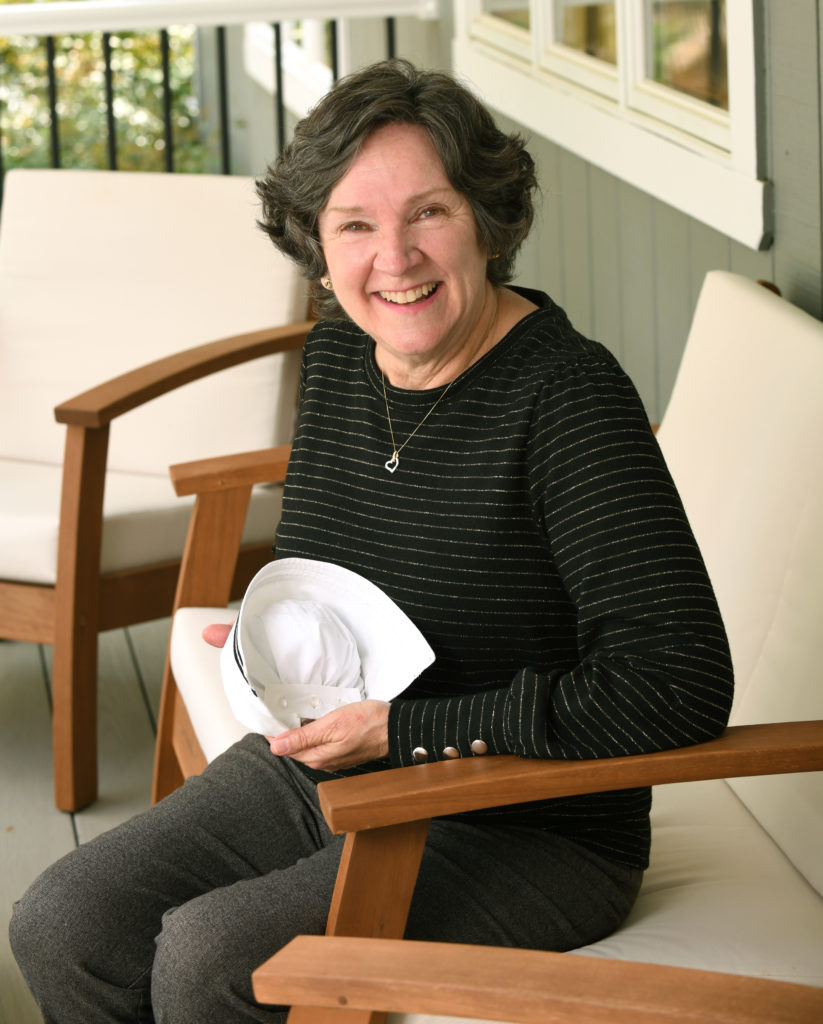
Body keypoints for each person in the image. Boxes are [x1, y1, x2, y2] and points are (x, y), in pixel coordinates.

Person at [10, 59, 734, 1023]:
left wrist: (403, 729)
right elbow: (332, 559)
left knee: (208, 961)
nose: (394, 258)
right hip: (333, 767)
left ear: (486, 219)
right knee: (64, 918)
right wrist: (272, 640)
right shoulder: (347, 347)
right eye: (355, 224)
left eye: (428, 213)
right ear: (316, 244)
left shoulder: (567, 398)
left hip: (526, 823)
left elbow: (677, 680)